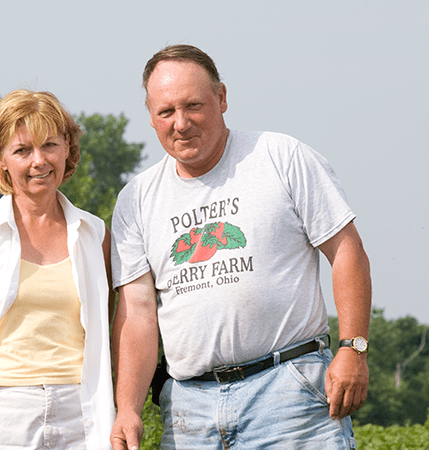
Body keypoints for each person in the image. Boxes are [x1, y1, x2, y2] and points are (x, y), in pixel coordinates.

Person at [109, 44, 372, 450]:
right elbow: (138, 313)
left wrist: (353, 347)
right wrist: (126, 408)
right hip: (189, 408)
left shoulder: (280, 157)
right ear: (151, 117)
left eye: (193, 105)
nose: (181, 123)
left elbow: (346, 251)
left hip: (288, 393)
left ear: (222, 98)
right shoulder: (137, 198)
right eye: (166, 112)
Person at [0, 89, 116, 450]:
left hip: (81, 412)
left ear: (68, 150)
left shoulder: (95, 234)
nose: (39, 161)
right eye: (22, 150)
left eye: (50, 145)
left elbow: (103, 323)